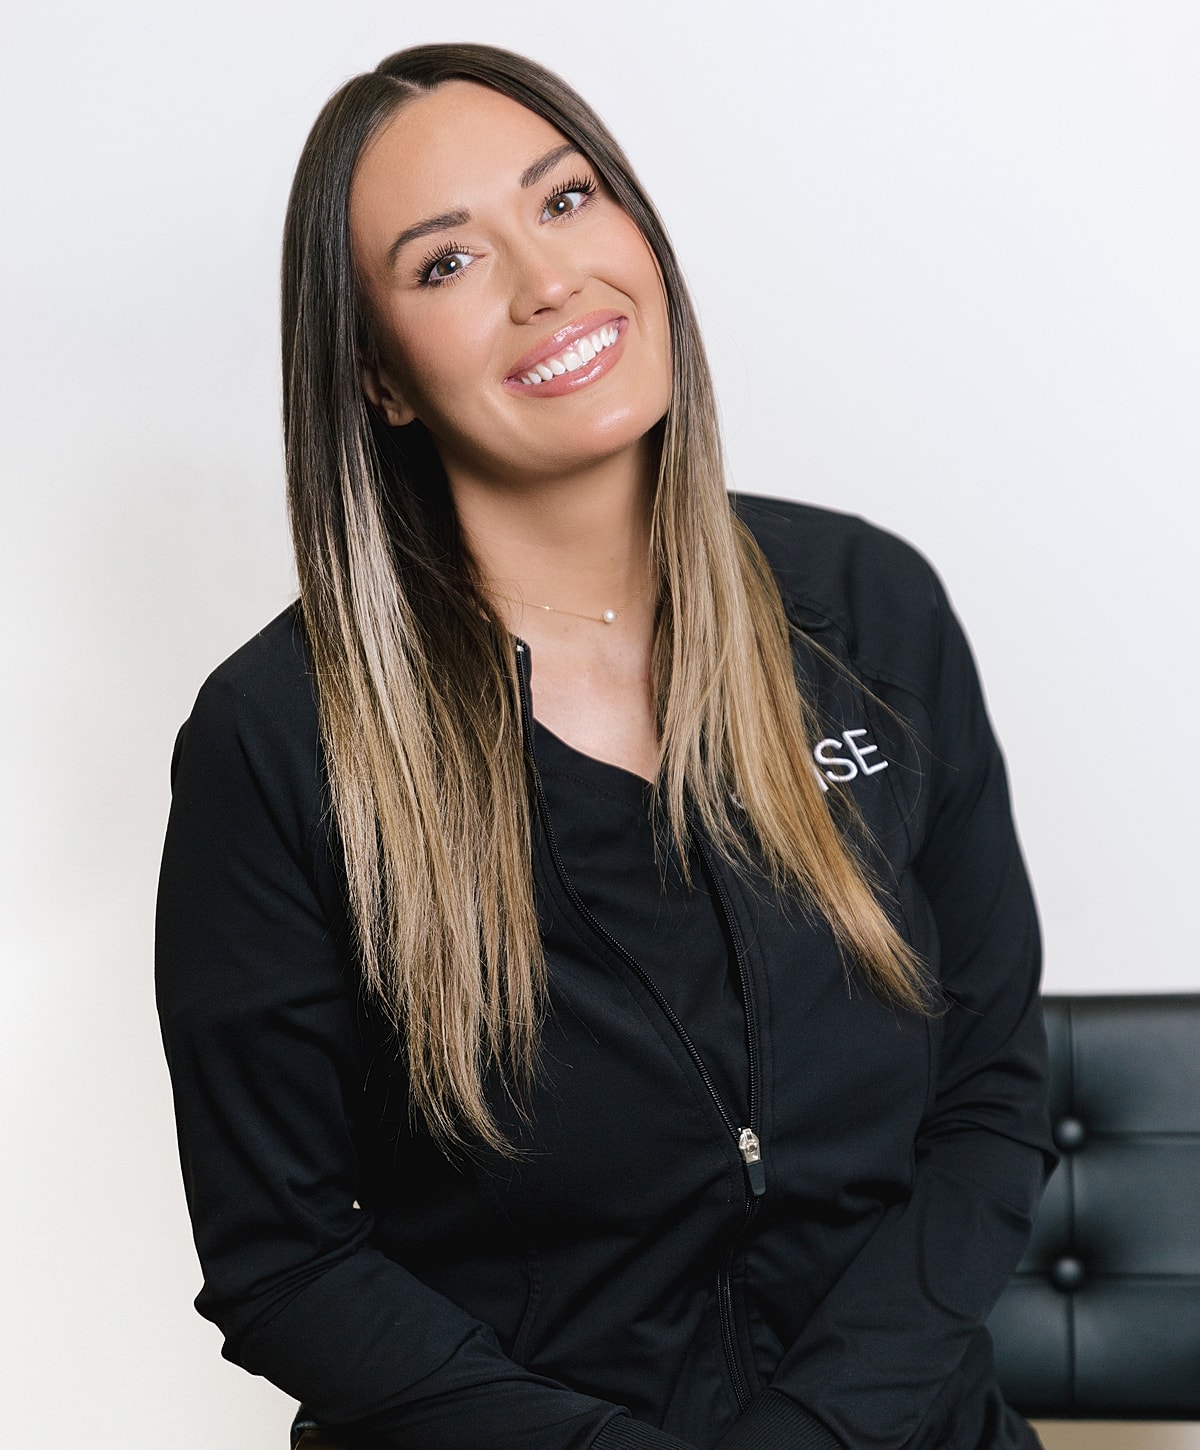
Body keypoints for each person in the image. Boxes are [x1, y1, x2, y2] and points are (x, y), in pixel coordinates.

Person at [155, 41, 1057, 1450]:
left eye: (566, 200)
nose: (547, 279)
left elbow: (991, 1095)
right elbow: (285, 1258)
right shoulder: (277, 739)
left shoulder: (871, 611)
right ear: (380, 379)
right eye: (446, 263)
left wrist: (823, 1430)